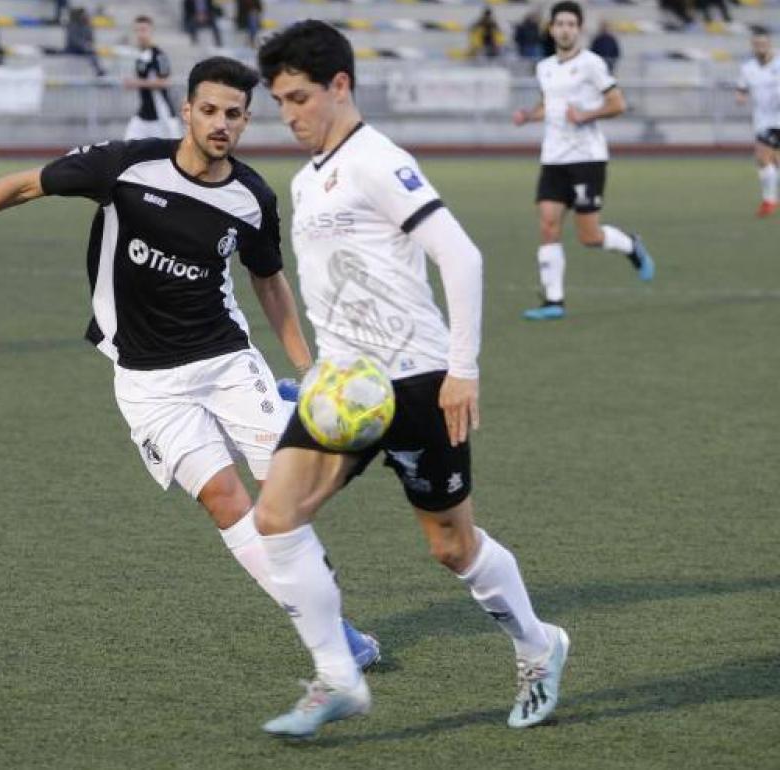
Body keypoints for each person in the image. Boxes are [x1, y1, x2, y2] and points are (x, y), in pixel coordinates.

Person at [0, 56, 381, 672]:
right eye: (209, 110)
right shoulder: (126, 165)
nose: (220, 123)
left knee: (290, 497)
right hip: (147, 382)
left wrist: (309, 369)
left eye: (234, 114)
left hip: (225, 358)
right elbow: (23, 185)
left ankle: (281, 404)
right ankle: (331, 629)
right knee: (228, 505)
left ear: (248, 120)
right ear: (187, 111)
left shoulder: (251, 196)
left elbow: (268, 280)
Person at [253, 19, 567, 739]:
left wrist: (463, 371)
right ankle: (338, 679)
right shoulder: (307, 179)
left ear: (341, 85)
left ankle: (537, 644)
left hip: (418, 383)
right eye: (280, 101)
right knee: (276, 516)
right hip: (345, 392)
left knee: (452, 547)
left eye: (300, 97)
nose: (290, 114)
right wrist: (318, 369)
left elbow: (461, 257)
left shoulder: (376, 159)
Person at [511, 1, 654, 321]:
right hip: (553, 158)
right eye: (559, 24)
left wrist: (587, 115)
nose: (564, 29)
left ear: (579, 29)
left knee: (589, 236)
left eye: (571, 24)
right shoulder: (544, 67)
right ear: (551, 29)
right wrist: (528, 116)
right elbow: (550, 104)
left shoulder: (592, 64)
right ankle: (553, 301)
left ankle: (632, 246)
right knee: (548, 226)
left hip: (587, 158)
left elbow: (618, 103)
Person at [735, 27, 779, 218]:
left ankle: (769, 201)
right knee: (773, 161)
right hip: (762, 119)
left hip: (777, 119)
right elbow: (741, 88)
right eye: (756, 44)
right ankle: (770, 200)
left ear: (770, 44)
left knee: (762, 157)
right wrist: (740, 97)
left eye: (763, 43)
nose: (760, 47)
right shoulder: (748, 68)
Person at [123, 15, 179, 140]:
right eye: (137, 30)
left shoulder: (159, 55)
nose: (140, 34)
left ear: (151, 31)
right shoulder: (140, 56)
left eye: (143, 30)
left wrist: (136, 83)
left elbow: (165, 82)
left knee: (172, 155)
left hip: (161, 116)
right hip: (144, 115)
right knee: (127, 148)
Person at [64, 6, 103, 76]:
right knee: (90, 50)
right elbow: (74, 40)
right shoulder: (72, 26)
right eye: (84, 14)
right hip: (73, 48)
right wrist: (84, 45)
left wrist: (88, 44)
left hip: (84, 48)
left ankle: (98, 70)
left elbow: (91, 39)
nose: (86, 15)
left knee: (92, 51)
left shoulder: (87, 26)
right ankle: (98, 70)